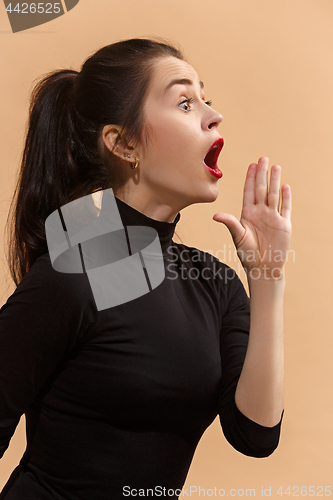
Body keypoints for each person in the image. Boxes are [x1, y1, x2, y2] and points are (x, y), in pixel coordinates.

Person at [0, 38, 292, 499]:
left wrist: (269, 278)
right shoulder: (72, 270)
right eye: (184, 101)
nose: (213, 115)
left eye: (205, 98)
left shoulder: (215, 284)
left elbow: (255, 435)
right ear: (123, 143)